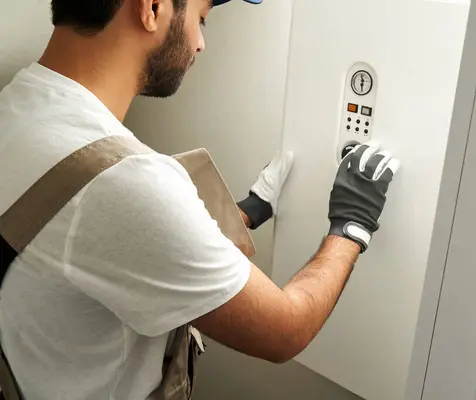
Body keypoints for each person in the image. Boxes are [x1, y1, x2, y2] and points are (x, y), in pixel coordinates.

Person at [0, 0, 400, 399]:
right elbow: (285, 331)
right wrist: (352, 225)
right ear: (152, 7)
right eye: (201, 18)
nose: (201, 42)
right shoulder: (123, 181)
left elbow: (95, 240)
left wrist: (247, 211)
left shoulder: (17, 105)